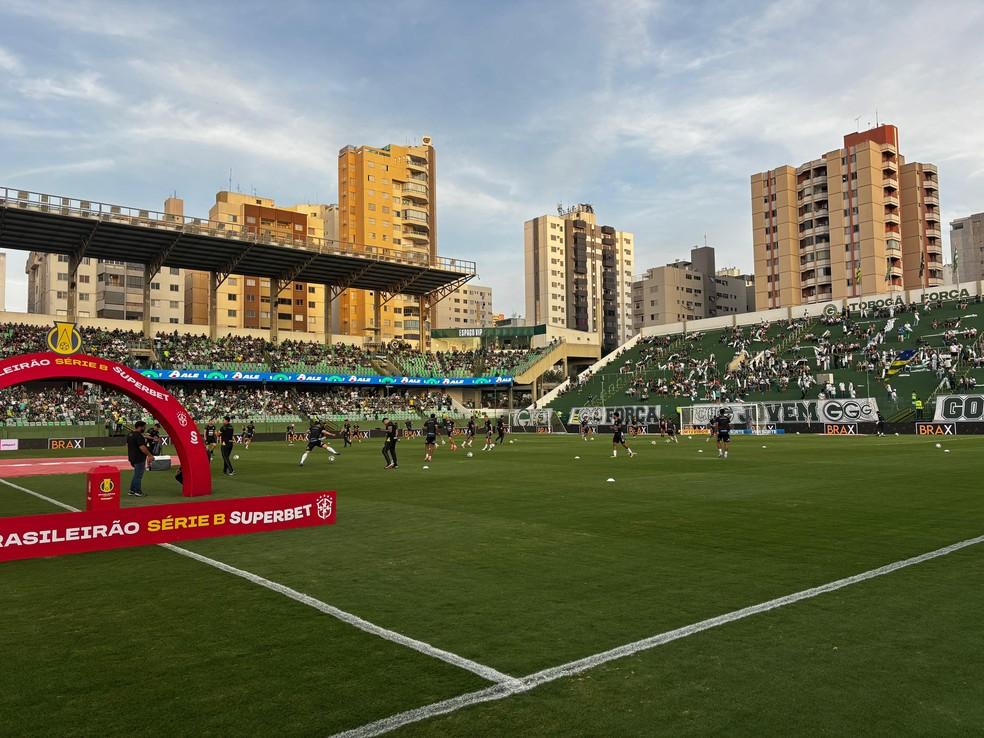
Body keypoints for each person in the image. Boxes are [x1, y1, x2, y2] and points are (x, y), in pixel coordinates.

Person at [126, 421, 153, 497]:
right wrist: (150, 455)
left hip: (132, 457)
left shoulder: (130, 434)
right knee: (138, 476)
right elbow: (142, 447)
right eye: (144, 427)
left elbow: (127, 445)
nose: (145, 428)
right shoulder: (139, 436)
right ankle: (138, 491)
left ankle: (132, 490)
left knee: (136, 474)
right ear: (140, 427)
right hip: (139, 458)